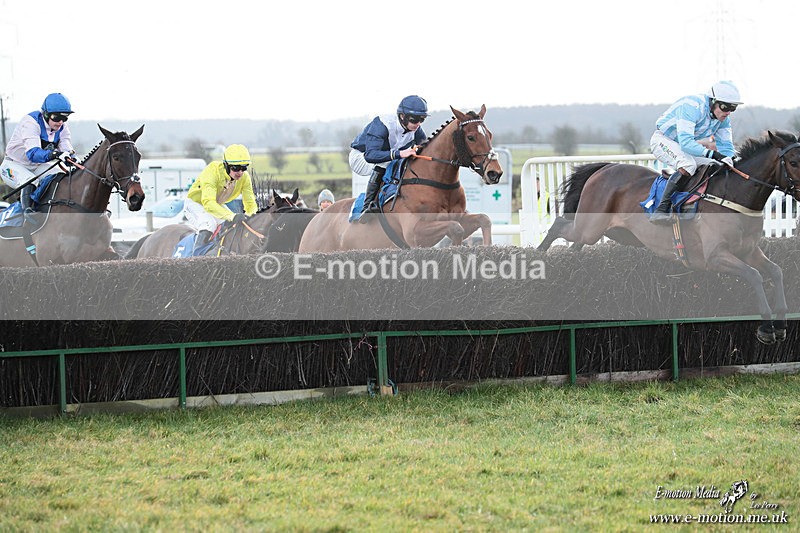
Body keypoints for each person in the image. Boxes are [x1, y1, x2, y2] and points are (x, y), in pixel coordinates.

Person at [649, 80, 741, 225]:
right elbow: (686, 143)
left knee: (714, 164)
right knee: (688, 165)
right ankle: (661, 210)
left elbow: (726, 147)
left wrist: (731, 160)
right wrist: (715, 154)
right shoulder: (692, 106)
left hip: (682, 146)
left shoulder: (723, 119)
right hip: (663, 140)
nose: (728, 112)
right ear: (713, 102)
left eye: (733, 108)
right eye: (725, 107)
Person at [0, 93, 76, 223]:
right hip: (13, 165)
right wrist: (55, 155)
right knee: (30, 180)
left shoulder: (62, 127)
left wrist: (72, 159)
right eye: (57, 117)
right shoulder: (31, 122)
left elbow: (66, 148)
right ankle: (27, 212)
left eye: (65, 118)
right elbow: (33, 154)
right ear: (45, 114)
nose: (60, 122)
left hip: (37, 167)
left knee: (63, 175)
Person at [349, 95, 429, 218]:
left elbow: (425, 147)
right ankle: (367, 207)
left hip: (382, 155)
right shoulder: (382, 124)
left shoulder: (415, 128)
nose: (418, 124)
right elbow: (370, 155)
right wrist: (399, 154)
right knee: (387, 162)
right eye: (414, 119)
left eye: (422, 120)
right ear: (403, 116)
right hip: (361, 157)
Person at [183, 144, 258, 250]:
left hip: (217, 205)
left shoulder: (245, 178)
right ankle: (195, 260)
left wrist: (251, 217)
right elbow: (208, 203)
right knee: (209, 225)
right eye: (236, 168)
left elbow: (250, 203)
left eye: (244, 168)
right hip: (195, 203)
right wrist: (232, 216)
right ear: (226, 165)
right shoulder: (212, 171)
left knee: (231, 225)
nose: (240, 172)